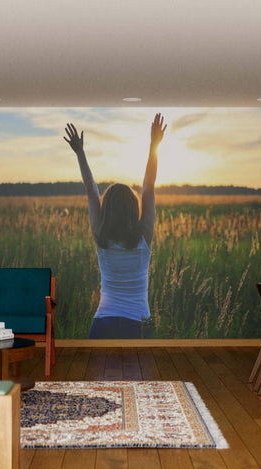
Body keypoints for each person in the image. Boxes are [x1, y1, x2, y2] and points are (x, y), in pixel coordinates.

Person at [64, 113, 166, 338]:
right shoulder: (143, 239)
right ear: (133, 208)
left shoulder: (101, 238)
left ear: (106, 210)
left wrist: (80, 153)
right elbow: (148, 187)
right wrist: (154, 145)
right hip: (139, 324)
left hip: (103, 324)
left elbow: (91, 191)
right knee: (140, 375)